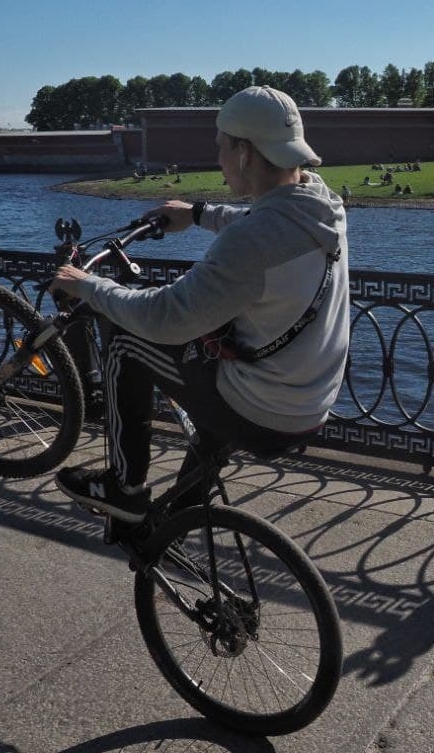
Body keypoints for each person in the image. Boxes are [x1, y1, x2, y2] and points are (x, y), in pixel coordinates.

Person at [49, 86, 350, 520]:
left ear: (244, 153)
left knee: (127, 347)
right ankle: (185, 511)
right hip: (312, 403)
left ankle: (123, 488)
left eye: (221, 147)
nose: (219, 159)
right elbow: (268, 219)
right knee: (208, 361)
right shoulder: (324, 204)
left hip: (265, 414)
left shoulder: (250, 244)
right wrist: (199, 213)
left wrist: (88, 285)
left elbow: (164, 316)